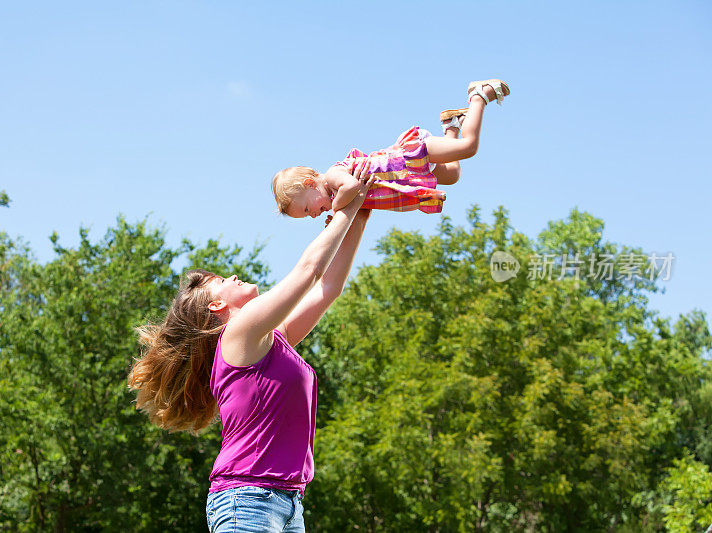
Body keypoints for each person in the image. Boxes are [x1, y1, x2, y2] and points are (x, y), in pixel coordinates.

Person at [127, 161, 375, 532]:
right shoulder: (238, 335)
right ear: (216, 306)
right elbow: (309, 272)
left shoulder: (270, 341)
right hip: (249, 499)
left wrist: (360, 216)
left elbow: (328, 288)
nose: (233, 275)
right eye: (222, 281)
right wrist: (347, 207)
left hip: (287, 501)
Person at [271, 79, 510, 219]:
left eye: (306, 208)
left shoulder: (334, 176)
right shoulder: (337, 195)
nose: (314, 215)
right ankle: (452, 124)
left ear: (310, 183)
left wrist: (336, 209)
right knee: (453, 175)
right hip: (409, 174)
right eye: (307, 216)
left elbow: (352, 185)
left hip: (412, 157)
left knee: (468, 148)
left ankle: (480, 95)